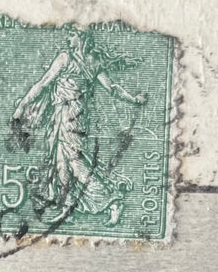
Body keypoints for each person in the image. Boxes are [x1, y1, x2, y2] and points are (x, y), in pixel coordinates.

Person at [9, 28, 147, 226]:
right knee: (60, 163)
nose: (68, 37)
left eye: (72, 34)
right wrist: (134, 99)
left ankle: (113, 201)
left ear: (82, 37)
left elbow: (44, 84)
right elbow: (44, 83)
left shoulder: (68, 59)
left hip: (72, 117)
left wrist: (22, 106)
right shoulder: (79, 60)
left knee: (75, 164)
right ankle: (67, 209)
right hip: (63, 115)